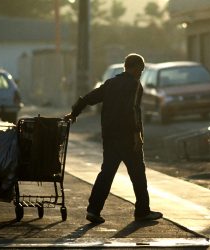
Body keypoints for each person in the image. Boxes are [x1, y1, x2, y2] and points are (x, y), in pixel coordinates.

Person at [64, 53, 163, 223]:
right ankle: (142, 211)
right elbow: (132, 111)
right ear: (134, 67)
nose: (141, 72)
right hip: (127, 137)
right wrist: (137, 136)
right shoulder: (134, 85)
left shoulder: (110, 84)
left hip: (110, 137)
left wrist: (74, 113)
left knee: (106, 173)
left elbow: (88, 98)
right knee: (138, 174)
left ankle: (93, 210)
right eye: (141, 69)